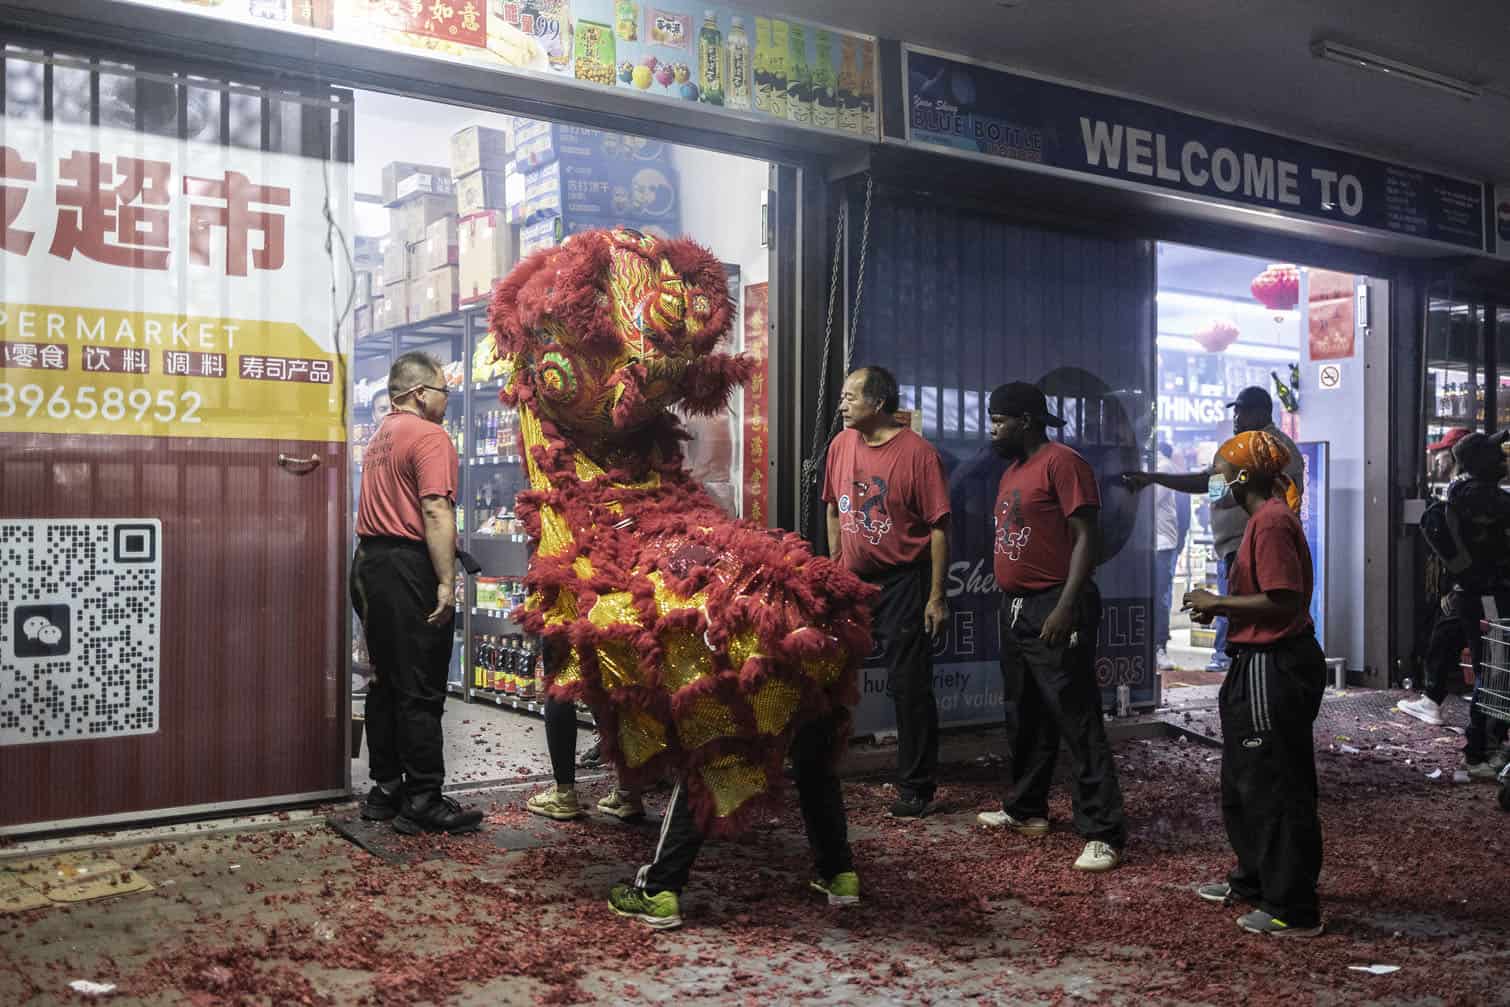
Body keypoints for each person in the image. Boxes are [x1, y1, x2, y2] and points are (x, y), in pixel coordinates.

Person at [976, 382, 1126, 873]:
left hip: (1056, 605)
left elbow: (1087, 537)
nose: (992, 429)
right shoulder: (1014, 472)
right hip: (1016, 608)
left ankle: (1103, 832)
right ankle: (1027, 810)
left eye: (1000, 420)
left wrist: (1066, 606)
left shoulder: (1064, 463)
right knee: (1026, 714)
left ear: (1027, 420)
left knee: (1077, 718)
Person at [1184, 429, 1326, 937]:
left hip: (1274, 662)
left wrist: (1217, 603)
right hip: (1256, 659)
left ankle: (1291, 905)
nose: (1214, 480)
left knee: (1274, 783)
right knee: (1246, 778)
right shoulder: (1260, 521)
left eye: (1220, 470)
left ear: (1243, 476)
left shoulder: (1269, 522)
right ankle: (1254, 878)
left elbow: (1283, 599)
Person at [352, 352, 482, 835]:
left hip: (368, 565)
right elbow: (434, 511)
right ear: (420, 394)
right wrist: (447, 582)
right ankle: (424, 798)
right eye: (444, 392)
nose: (448, 401)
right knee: (422, 686)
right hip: (407, 569)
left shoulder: (380, 438)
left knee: (386, 680)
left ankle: (385, 789)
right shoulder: (430, 436)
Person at [822, 365, 952, 818]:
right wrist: (835, 566)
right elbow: (834, 511)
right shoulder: (840, 445)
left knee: (908, 685)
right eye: (841, 396)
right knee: (826, 673)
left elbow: (939, 528)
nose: (841, 404)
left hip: (902, 582)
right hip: (851, 580)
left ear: (878, 404)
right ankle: (817, 768)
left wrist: (936, 597)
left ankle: (916, 786)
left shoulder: (918, 455)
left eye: (850, 396)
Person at [608, 711, 859, 929]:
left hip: (761, 667)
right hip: (819, 668)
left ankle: (659, 889)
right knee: (816, 755)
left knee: (712, 756)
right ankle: (839, 874)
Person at [1124, 387, 1303, 673]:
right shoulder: (1244, 449)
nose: (1235, 417)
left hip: (1249, 551)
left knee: (1249, 618)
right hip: (1235, 548)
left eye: (1240, 411)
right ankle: (1235, 659)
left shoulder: (1271, 462)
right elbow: (1208, 484)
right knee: (1240, 617)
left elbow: (1279, 601)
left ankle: (1237, 660)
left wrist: (1218, 603)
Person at [1401, 432, 1510, 778]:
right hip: (1488, 596)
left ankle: (1485, 744)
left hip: (1472, 594)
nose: (1503, 461)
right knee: (1494, 670)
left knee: (1493, 668)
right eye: (1497, 456)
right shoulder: (1489, 501)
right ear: (1483, 464)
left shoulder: (1461, 494)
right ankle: (1481, 751)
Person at [1401, 427, 1471, 728]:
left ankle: (1431, 701)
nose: (1436, 460)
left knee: (1444, 638)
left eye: (1441, 453)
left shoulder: (1460, 492)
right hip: (1485, 583)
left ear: (1455, 454)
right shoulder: (1480, 490)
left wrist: (1454, 582)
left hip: (1467, 583)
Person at [1153, 441, 1186, 672]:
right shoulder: (1151, 465)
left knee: (1160, 598)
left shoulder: (1163, 466)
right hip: (1148, 545)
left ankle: (1159, 647)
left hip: (1162, 545)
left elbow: (1148, 501)